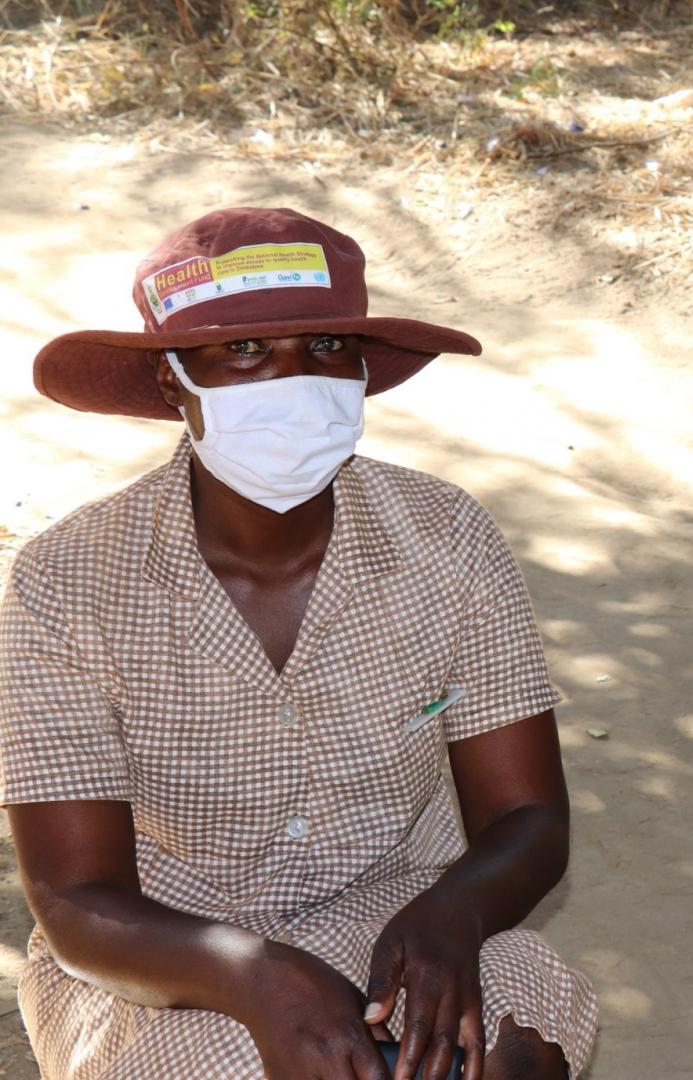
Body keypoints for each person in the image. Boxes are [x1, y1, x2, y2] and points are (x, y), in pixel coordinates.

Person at [0, 207, 598, 1080]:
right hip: (170, 952)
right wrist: (255, 974)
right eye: (244, 352)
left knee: (504, 1059)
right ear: (173, 381)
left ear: (360, 372)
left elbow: (528, 819)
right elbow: (76, 900)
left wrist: (452, 919)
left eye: (323, 348)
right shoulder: (68, 583)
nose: (291, 377)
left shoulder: (449, 538)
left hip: (406, 908)